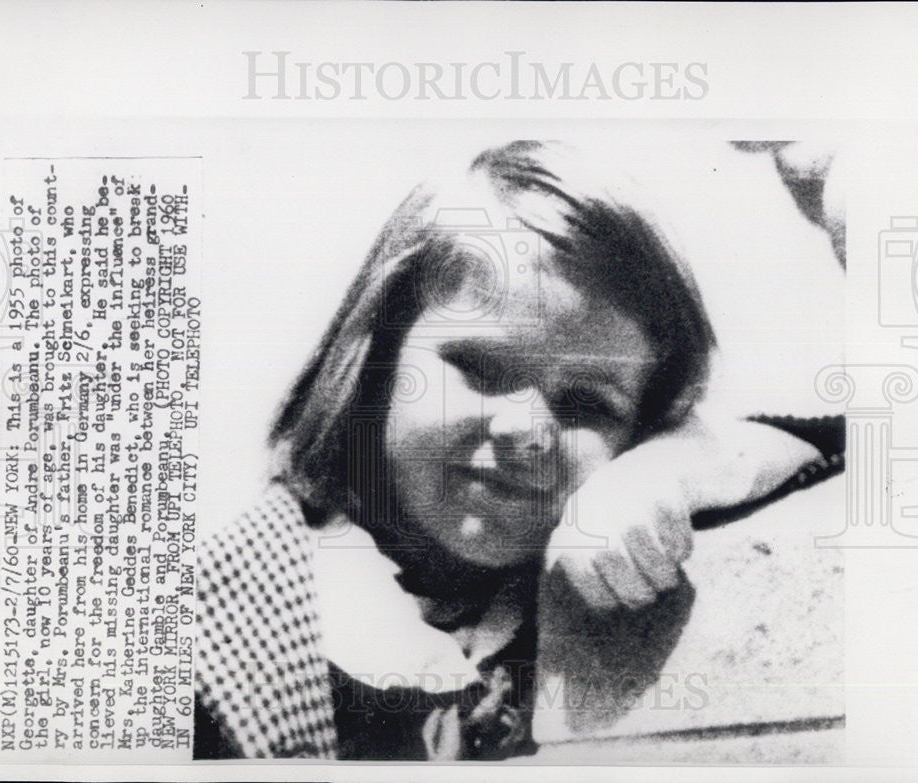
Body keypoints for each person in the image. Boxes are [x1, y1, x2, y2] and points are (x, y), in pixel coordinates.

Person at [193, 140, 844, 760]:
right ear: (378, 363)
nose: (527, 429)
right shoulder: (212, 647)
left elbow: (850, 444)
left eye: (589, 404)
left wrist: (672, 465)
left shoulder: (547, 589)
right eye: (480, 365)